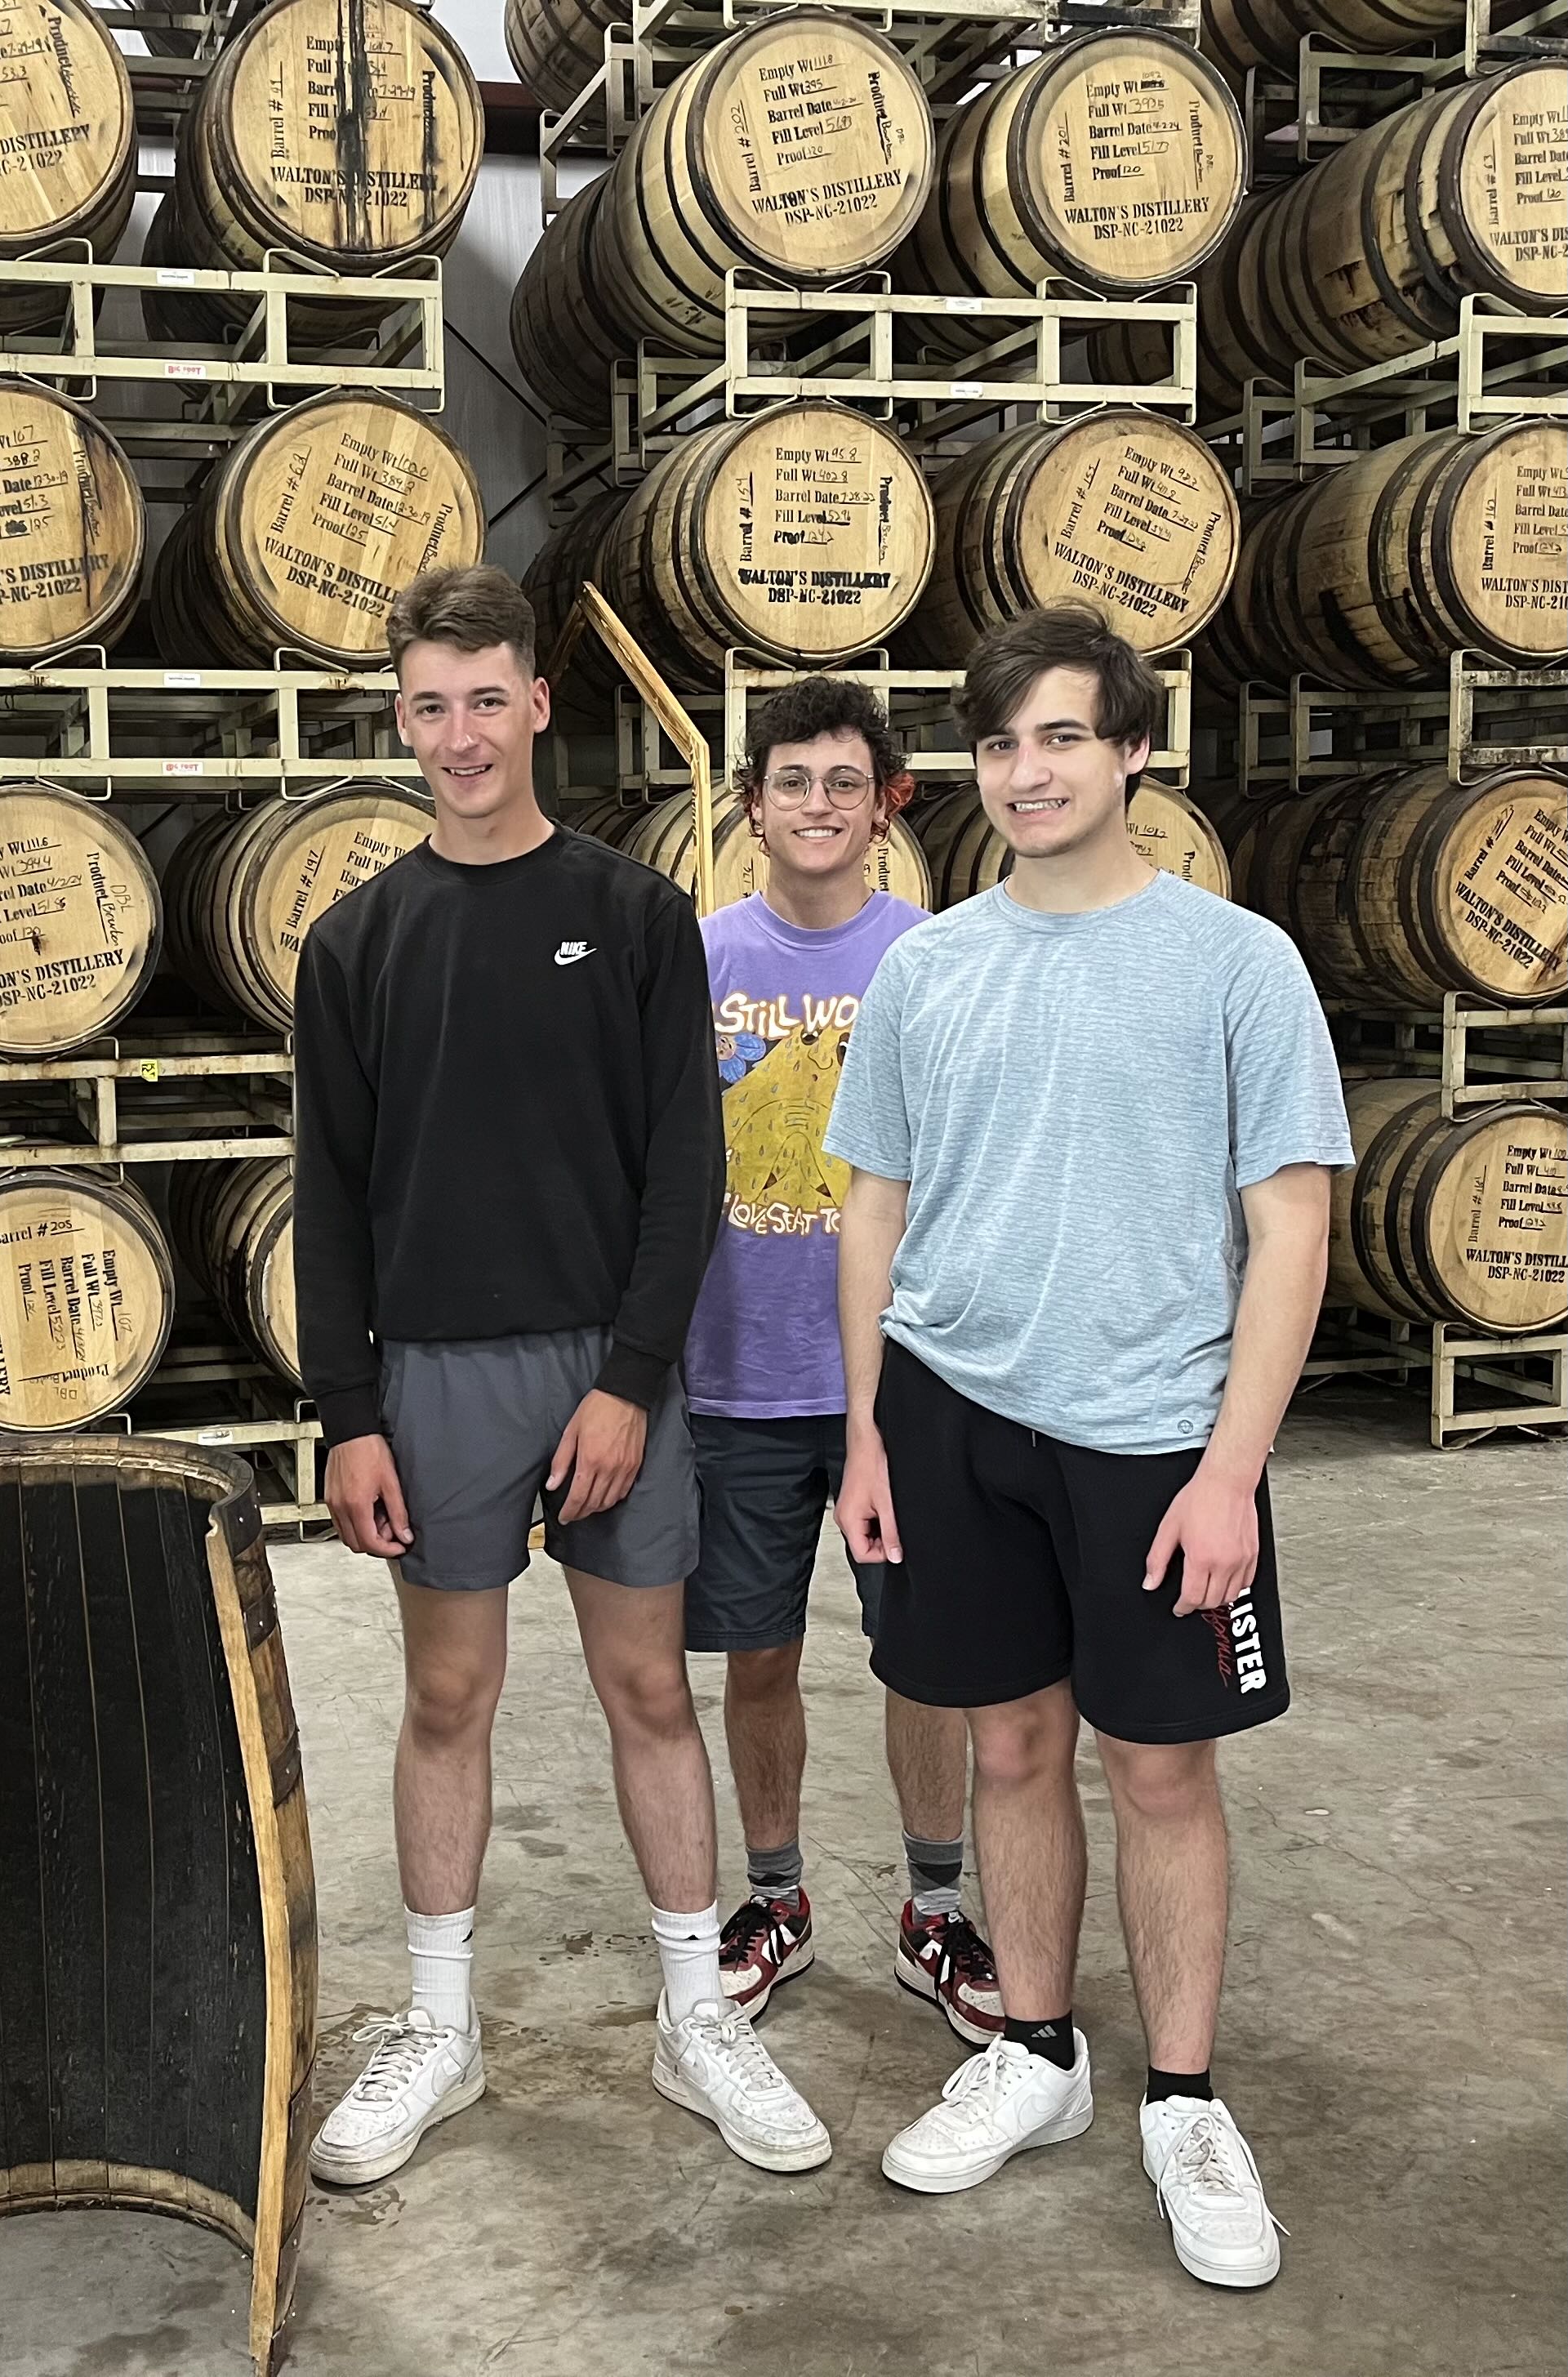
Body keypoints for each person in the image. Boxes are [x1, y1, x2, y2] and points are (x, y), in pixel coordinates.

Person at [825, 604, 1352, 2286]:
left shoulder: (1232, 961)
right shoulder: (927, 963)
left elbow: (1291, 1229)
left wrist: (1227, 1469)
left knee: (1162, 1773)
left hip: (1150, 1434)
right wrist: (864, 1432)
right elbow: (871, 1209)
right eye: (1000, 744)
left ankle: (1183, 2101)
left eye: (1063, 737)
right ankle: (1038, 2055)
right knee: (1003, 1752)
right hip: (947, 1412)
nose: (1029, 771)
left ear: (1133, 751)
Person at [293, 565, 831, 2188]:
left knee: (649, 1694)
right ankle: (440, 2030)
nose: (459, 734)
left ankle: (694, 2015)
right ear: (403, 718)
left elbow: (683, 1175)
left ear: (538, 702)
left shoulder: (637, 914)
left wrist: (627, 1381)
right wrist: (347, 1414)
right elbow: (328, 1192)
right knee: (446, 1698)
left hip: (605, 1376)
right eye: (429, 705)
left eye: (485, 699)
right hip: (435, 1377)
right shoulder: (357, 939)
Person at [683, 677, 1002, 2045]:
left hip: (904, 1384)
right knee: (757, 1657)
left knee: (926, 1660)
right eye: (792, 780)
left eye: (844, 782)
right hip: (737, 1376)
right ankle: (776, 1898)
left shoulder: (934, 959)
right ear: (750, 805)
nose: (818, 804)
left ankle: (936, 1906)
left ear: (887, 806)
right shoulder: (692, 959)